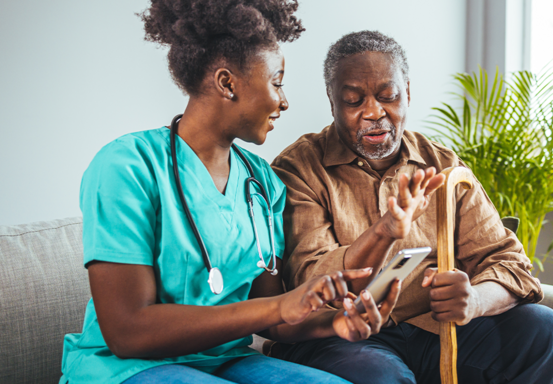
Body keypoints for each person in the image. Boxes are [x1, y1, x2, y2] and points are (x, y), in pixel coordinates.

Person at [59, 5, 411, 384]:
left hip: (226, 360)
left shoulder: (263, 182)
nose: (284, 101)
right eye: (277, 82)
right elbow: (127, 331)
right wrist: (279, 306)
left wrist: (339, 320)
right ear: (227, 83)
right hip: (128, 367)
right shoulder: (127, 166)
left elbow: (276, 318)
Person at [271, 30, 553, 384]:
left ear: (408, 93)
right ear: (331, 100)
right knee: (380, 374)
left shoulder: (443, 164)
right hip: (343, 337)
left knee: (544, 329)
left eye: (388, 96)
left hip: (435, 330)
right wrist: (384, 232)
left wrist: (473, 300)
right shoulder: (299, 168)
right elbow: (313, 282)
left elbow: (510, 264)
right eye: (353, 100)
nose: (373, 112)